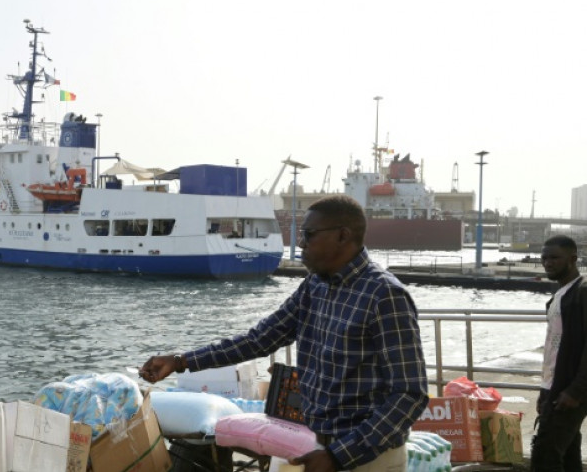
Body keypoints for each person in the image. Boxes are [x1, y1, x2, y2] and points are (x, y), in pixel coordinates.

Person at [140, 195, 428, 472]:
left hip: (367, 458)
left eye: (309, 234)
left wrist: (339, 456)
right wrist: (181, 361)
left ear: (343, 235)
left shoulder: (385, 296)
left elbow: (409, 394)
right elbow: (259, 339)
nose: (300, 244)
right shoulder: (315, 286)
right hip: (316, 446)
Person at [531, 235, 587, 472]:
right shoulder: (559, 297)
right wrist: (545, 390)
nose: (548, 263)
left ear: (573, 259)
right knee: (567, 454)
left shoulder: (582, 292)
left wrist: (576, 391)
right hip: (555, 387)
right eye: (544, 258)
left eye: (554, 258)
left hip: (571, 390)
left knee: (545, 455)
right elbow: (554, 348)